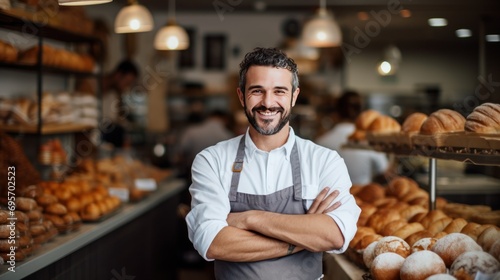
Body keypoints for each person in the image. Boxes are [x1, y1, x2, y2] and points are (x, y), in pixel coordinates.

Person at [185, 47, 360, 279]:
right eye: (257, 91)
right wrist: (303, 237)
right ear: (241, 96)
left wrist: (248, 218)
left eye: (279, 91)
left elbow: (335, 235)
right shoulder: (212, 160)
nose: (268, 103)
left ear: (294, 96)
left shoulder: (324, 161)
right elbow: (213, 243)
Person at [316, 91, 390, 185]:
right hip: (364, 196)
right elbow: (385, 173)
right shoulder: (370, 141)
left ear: (337, 112)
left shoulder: (321, 142)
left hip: (331, 197)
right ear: (360, 113)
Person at [77, 59, 139, 148]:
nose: (126, 87)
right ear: (118, 75)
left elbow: (115, 120)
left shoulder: (115, 95)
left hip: (101, 145)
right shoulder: (89, 85)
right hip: (83, 143)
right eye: (127, 83)